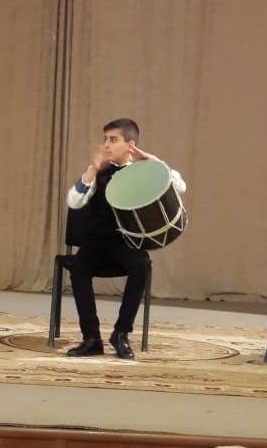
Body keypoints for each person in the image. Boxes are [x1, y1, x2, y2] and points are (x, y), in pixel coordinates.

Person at [65, 118, 186, 360]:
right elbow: (73, 201)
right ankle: (91, 338)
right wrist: (92, 169)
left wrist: (152, 161)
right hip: (96, 243)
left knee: (141, 264)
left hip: (125, 244)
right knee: (78, 268)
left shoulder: (143, 171)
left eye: (113, 140)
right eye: (105, 140)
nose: (106, 145)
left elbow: (180, 185)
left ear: (130, 145)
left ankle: (121, 334)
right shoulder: (99, 171)